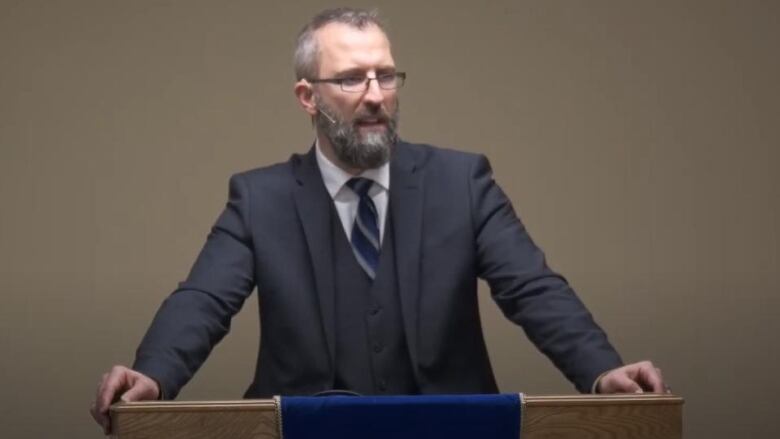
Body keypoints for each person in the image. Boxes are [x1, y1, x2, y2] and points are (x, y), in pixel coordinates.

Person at [91, 7, 667, 434]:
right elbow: (203, 301)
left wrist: (602, 372)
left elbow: (534, 290)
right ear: (306, 96)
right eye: (351, 79)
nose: (374, 96)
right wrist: (153, 377)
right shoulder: (259, 198)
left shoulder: (462, 183)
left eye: (385, 76)